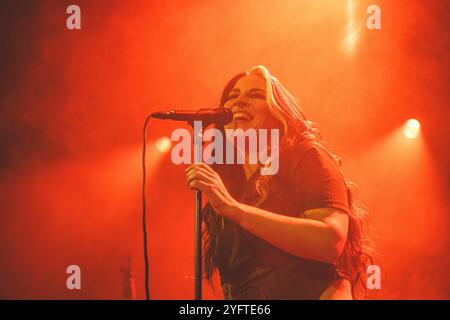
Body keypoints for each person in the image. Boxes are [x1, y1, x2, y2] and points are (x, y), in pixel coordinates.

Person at [185, 65, 373, 300]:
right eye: (233, 97)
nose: (239, 102)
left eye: (256, 95)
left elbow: (329, 242)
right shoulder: (230, 181)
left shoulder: (306, 156)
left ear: (278, 113)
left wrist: (235, 210)